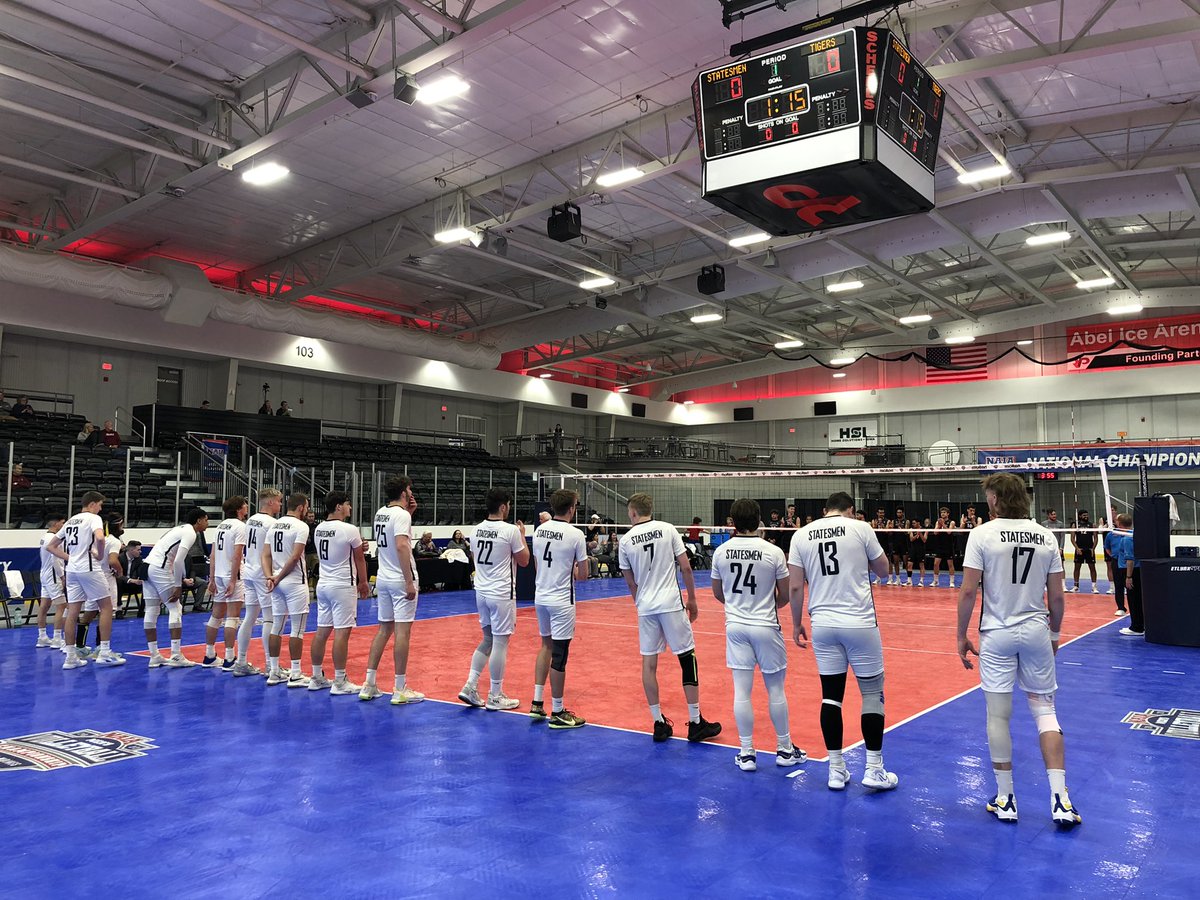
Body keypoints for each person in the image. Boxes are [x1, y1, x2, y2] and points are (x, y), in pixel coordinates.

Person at [956, 473, 1080, 828]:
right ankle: (1061, 800)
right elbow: (1056, 597)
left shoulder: (981, 534)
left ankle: (1006, 799)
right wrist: (1054, 634)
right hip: (1036, 630)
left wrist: (960, 635)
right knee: (1046, 713)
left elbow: (968, 591)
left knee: (998, 716)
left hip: (997, 633)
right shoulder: (1045, 535)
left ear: (995, 499)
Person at [788, 491, 897, 792]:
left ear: (825, 510)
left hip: (822, 624)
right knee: (872, 693)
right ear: (850, 509)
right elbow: (884, 570)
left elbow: (795, 587)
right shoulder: (861, 528)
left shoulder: (801, 535)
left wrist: (797, 622)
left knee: (831, 696)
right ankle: (874, 768)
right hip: (859, 622)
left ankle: (836, 770)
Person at [711, 498, 805, 772]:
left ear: (732, 521)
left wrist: (739, 605)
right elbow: (785, 595)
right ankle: (785, 749)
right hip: (765, 625)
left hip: (736, 626)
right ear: (759, 520)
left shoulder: (721, 552)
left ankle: (747, 752)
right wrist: (766, 604)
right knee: (775, 689)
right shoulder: (773, 552)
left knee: (742, 690)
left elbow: (719, 593)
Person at [619, 492, 721, 743]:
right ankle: (695, 722)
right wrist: (693, 599)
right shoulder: (667, 529)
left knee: (649, 663)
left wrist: (639, 602)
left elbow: (629, 580)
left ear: (633, 513)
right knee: (687, 657)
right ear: (649, 509)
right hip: (670, 603)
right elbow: (686, 567)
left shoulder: (626, 540)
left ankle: (658, 722)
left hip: (647, 606)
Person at [459, 488, 529, 710]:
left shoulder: (475, 530)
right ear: (503, 507)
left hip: (481, 591)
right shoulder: (510, 531)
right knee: (500, 642)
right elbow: (525, 560)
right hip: (501, 593)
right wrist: (522, 536)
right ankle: (495, 694)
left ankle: (470, 685)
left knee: (488, 639)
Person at [361, 476, 424, 704]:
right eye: (409, 489)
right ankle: (399, 688)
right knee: (402, 633)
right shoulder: (401, 515)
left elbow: (391, 538)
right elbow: (401, 545)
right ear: (404, 493)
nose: (411, 492)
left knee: (383, 630)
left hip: (385, 577)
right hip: (399, 578)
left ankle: (369, 684)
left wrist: (410, 514)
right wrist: (409, 580)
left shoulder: (381, 512)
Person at [530, 489, 589, 728]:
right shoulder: (576, 535)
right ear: (572, 508)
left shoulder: (539, 531)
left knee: (545, 645)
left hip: (541, 596)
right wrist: (573, 570)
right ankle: (557, 711)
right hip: (562, 600)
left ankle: (536, 702)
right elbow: (583, 575)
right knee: (560, 655)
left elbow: (536, 566)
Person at [46, 492, 126, 669]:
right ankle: (104, 652)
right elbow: (99, 537)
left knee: (73, 611)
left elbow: (50, 546)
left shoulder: (70, 520)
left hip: (72, 570)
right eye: (100, 504)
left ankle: (71, 656)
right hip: (89, 568)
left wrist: (70, 557)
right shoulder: (93, 518)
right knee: (106, 607)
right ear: (92, 504)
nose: (101, 508)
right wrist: (99, 553)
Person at [307, 491, 370, 695]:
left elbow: (342, 549)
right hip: (342, 585)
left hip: (323, 583)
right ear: (338, 507)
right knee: (342, 632)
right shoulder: (349, 529)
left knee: (322, 631)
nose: (350, 508)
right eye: (347, 504)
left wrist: (358, 546)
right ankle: (340, 680)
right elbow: (360, 559)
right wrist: (363, 582)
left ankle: (316, 676)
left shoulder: (318, 528)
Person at [142, 508, 209, 668]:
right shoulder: (191, 533)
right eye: (206, 520)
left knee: (151, 610)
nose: (207, 523)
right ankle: (176, 655)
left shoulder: (178, 528)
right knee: (175, 608)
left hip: (148, 566)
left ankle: (154, 655)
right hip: (160, 567)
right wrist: (178, 585)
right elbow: (179, 561)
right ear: (199, 520)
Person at [232, 488, 282, 676]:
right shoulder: (272, 523)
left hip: (250, 571)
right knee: (269, 618)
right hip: (263, 573)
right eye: (278, 501)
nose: (280, 504)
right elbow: (273, 552)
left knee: (250, 617)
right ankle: (270, 665)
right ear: (270, 502)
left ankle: (241, 661)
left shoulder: (250, 520)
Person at [263, 493, 312, 687]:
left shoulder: (274, 524)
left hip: (276, 580)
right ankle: (296, 672)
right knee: (297, 629)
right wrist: (279, 576)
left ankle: (274, 670)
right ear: (301, 507)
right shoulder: (301, 526)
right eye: (306, 507)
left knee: (277, 625)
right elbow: (295, 557)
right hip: (293, 581)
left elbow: (265, 554)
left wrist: (270, 577)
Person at [202, 495, 248, 670]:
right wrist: (233, 579)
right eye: (244, 505)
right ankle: (230, 658)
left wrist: (212, 578)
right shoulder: (240, 527)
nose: (246, 507)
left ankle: (209, 654)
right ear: (238, 509)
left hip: (219, 574)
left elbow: (212, 554)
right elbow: (237, 555)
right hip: (231, 575)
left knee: (216, 615)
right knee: (233, 617)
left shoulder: (220, 526)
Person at [35, 514, 68, 649]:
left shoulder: (44, 537)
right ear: (56, 524)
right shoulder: (55, 539)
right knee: (62, 606)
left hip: (44, 574)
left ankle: (42, 637)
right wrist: (62, 576)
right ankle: (57, 638)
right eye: (62, 523)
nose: (64, 526)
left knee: (44, 606)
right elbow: (56, 560)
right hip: (53, 575)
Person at [1115, 513, 1143, 637]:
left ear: (1120, 524)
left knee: (1133, 599)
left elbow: (1130, 560)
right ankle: (1140, 625)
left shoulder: (1127, 538)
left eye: (1116, 522)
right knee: (1137, 598)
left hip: (1131, 571)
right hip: (1137, 570)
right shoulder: (1134, 534)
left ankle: (1136, 627)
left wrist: (1128, 577)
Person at [1069, 510, 1099, 593]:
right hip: (1079, 549)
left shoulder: (1092, 525)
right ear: (1079, 516)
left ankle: (1094, 587)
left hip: (1089, 549)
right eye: (1084, 515)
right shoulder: (1075, 525)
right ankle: (1076, 586)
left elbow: (1096, 538)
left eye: (1087, 515)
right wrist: (1077, 548)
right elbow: (1072, 538)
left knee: (1092, 568)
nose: (1086, 516)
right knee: (1077, 568)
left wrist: (1093, 548)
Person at [1103, 519, 1127, 614]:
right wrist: (1114, 556)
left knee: (1131, 586)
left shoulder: (1130, 533)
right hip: (1116, 561)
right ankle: (1120, 607)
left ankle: (1136, 608)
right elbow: (1107, 547)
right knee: (1118, 585)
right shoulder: (1111, 534)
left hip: (1128, 561)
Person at [931, 507, 957, 588]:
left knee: (950, 564)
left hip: (948, 545)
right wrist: (939, 525)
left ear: (948, 514)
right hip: (940, 545)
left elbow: (949, 532)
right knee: (936, 564)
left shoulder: (951, 522)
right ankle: (935, 581)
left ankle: (952, 582)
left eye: (944, 512)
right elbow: (935, 532)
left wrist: (943, 524)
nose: (942, 514)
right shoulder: (937, 522)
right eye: (941, 512)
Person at [890, 506, 909, 585]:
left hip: (904, 543)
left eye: (900, 512)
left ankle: (909, 579)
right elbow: (891, 533)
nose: (899, 514)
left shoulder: (906, 521)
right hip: (896, 543)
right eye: (898, 512)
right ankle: (898, 579)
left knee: (906, 562)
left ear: (903, 513)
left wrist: (902, 528)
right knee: (896, 562)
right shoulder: (893, 521)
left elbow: (906, 532)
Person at [907, 519, 928, 587]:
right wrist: (917, 535)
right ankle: (909, 581)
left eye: (914, 523)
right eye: (912, 523)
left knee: (921, 565)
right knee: (909, 564)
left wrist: (920, 533)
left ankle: (921, 581)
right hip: (913, 549)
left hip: (921, 549)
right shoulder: (911, 530)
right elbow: (911, 539)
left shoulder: (924, 529)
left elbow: (924, 540)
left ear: (918, 523)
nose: (913, 524)